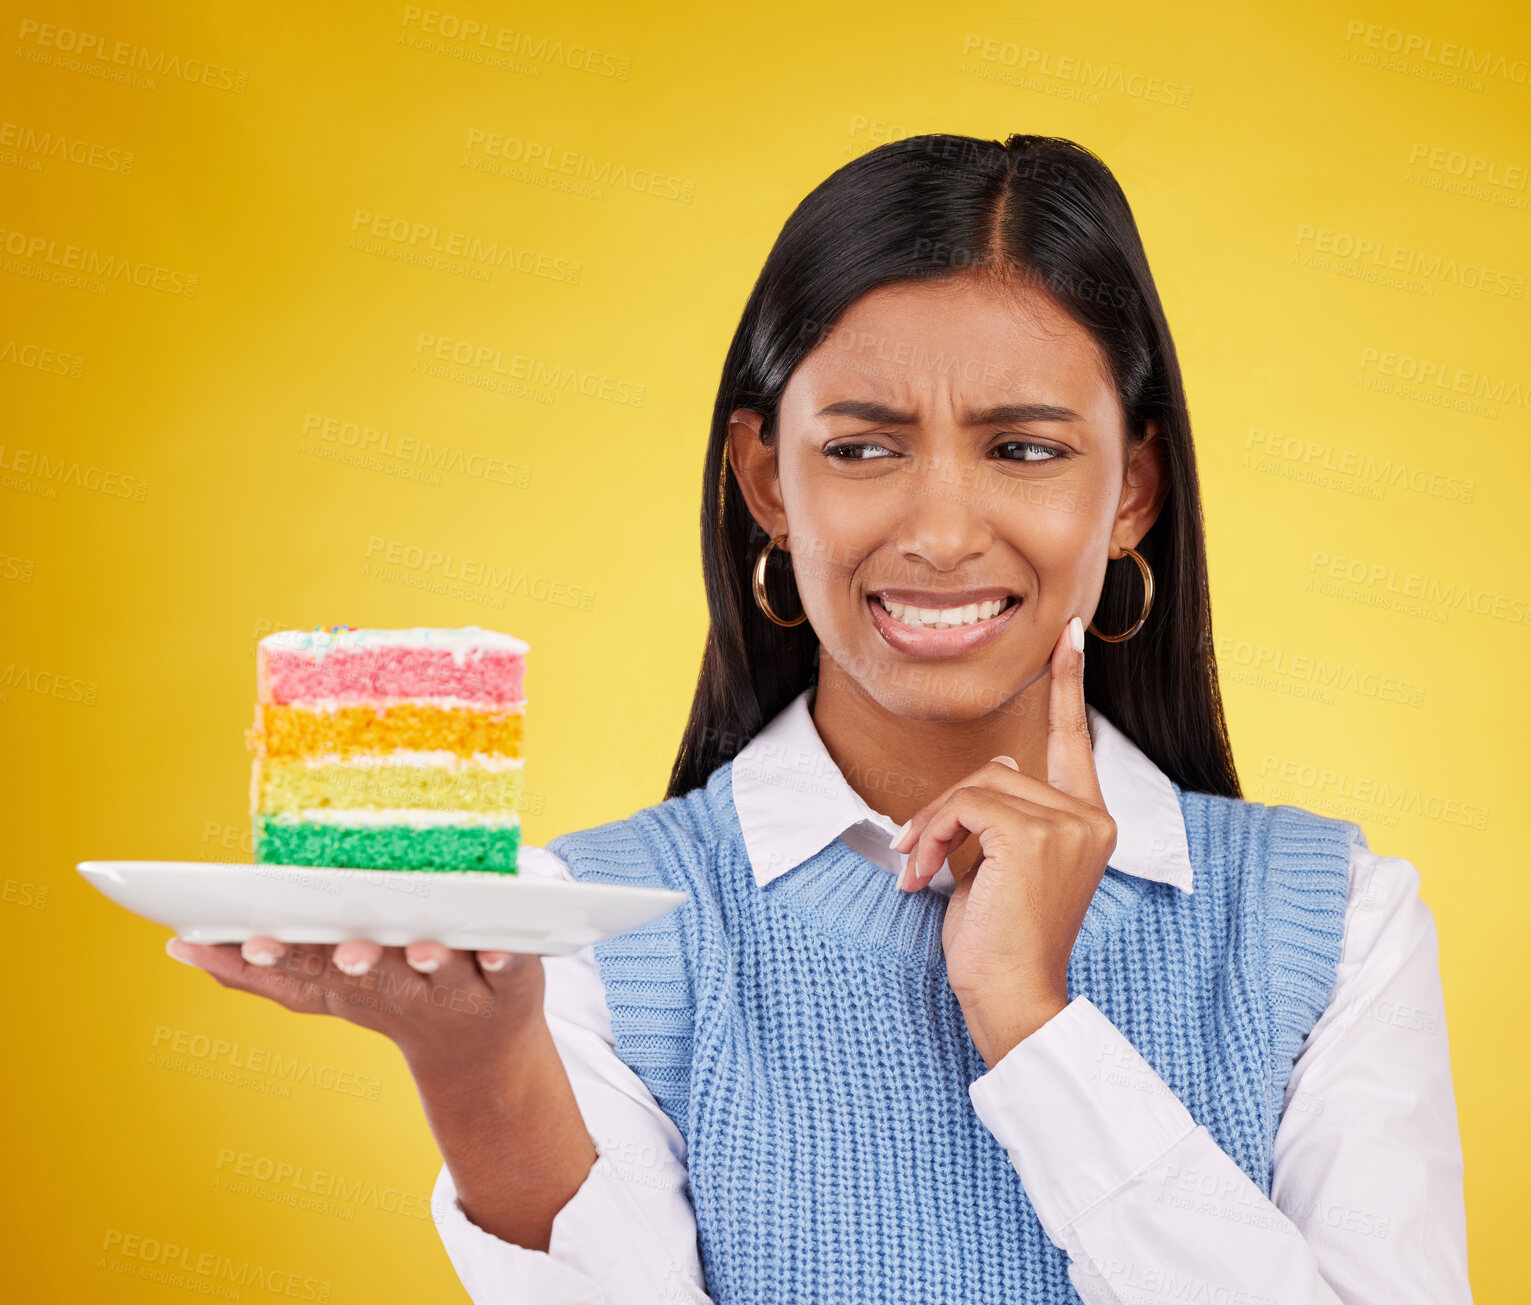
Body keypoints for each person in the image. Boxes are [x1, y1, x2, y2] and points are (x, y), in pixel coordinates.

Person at [167, 133, 1471, 1304]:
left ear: (1131, 489)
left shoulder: (1334, 922)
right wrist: (476, 1064)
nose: (944, 532)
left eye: (1023, 449)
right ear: (764, 479)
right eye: (861, 447)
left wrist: (1033, 1017)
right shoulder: (583, 930)